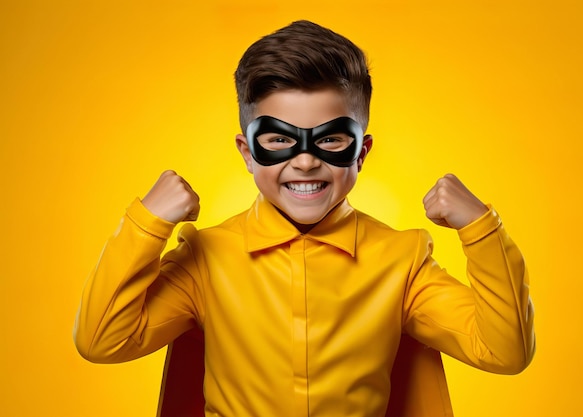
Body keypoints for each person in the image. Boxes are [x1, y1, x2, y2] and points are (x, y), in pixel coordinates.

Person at [74, 20, 535, 417]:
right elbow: (102, 341)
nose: (306, 162)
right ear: (247, 153)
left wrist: (481, 228)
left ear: (362, 152)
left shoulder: (402, 261)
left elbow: (504, 350)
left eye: (331, 140)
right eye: (278, 140)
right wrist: (147, 222)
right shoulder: (205, 259)